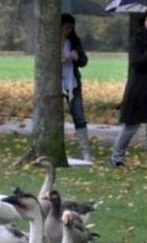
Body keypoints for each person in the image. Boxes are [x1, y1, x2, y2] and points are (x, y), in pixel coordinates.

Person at [109, 8, 147, 168]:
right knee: (131, 125)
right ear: (144, 21)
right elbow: (137, 62)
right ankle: (116, 157)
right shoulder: (137, 39)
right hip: (139, 89)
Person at [61, 14, 92, 162]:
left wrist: (76, 57)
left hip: (73, 84)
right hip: (57, 84)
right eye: (66, 27)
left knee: (79, 116)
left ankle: (85, 151)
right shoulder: (51, 42)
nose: (68, 30)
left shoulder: (74, 41)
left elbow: (84, 61)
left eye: (70, 28)